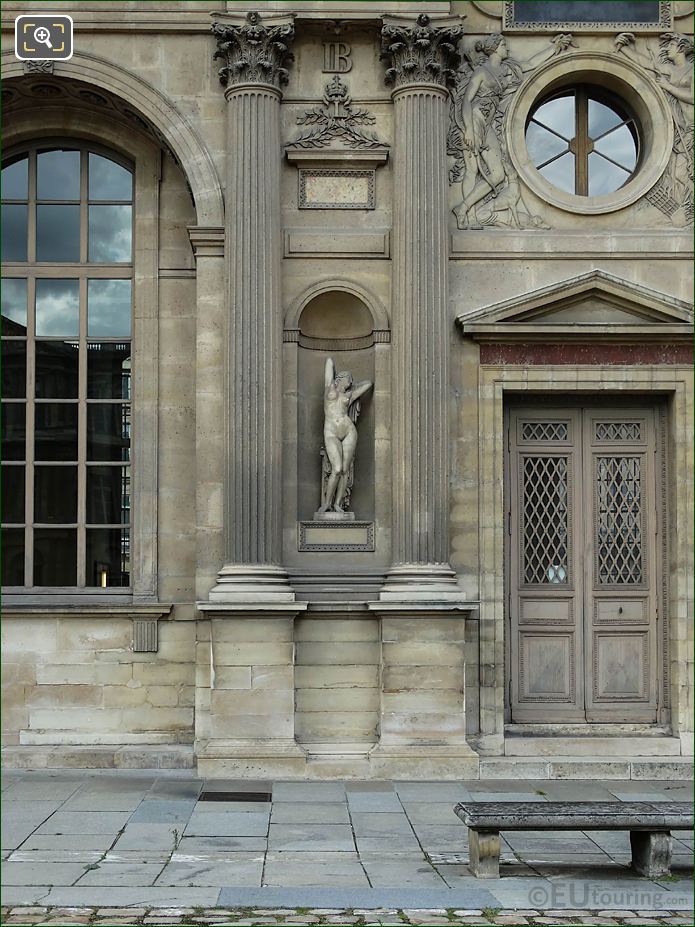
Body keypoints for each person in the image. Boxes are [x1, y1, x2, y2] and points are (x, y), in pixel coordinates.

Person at [449, 32, 574, 228]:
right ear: (495, 48)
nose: (506, 48)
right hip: (474, 121)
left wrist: (554, 48)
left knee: (499, 174)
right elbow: (467, 101)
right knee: (472, 170)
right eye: (503, 45)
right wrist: (468, 130)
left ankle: (463, 207)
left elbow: (529, 65)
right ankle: (470, 217)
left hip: (488, 124)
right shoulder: (481, 72)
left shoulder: (507, 70)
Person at [318, 357, 372, 514]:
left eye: (351, 380)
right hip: (331, 432)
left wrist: (352, 387)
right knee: (337, 468)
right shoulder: (329, 388)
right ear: (340, 379)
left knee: (345, 470)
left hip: (348, 431)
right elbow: (329, 361)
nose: (351, 381)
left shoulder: (350, 395)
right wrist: (336, 379)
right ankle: (327, 503)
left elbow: (368, 384)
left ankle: (337, 504)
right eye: (349, 379)